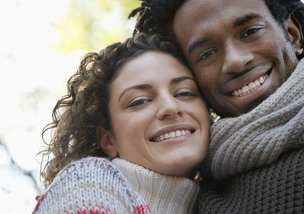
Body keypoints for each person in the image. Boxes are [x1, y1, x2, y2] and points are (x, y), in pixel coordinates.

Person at [129, 0, 304, 213]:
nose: (235, 61)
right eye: (207, 53)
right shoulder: (189, 192)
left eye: (250, 31)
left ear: (292, 34)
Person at [33, 33, 210, 214]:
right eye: (140, 101)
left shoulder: (222, 200)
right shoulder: (87, 184)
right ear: (109, 141)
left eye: (184, 93)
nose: (170, 107)